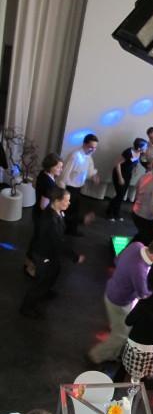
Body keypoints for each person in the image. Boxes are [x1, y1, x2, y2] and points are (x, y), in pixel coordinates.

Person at [88, 238, 153, 364]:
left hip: (112, 288)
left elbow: (117, 260)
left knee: (120, 328)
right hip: (119, 301)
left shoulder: (137, 245)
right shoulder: (139, 270)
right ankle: (95, 356)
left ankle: (112, 354)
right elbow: (143, 294)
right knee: (121, 335)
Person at [20, 187, 85, 319]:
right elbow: (59, 243)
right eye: (66, 200)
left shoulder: (56, 212)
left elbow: (66, 219)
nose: (69, 203)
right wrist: (75, 257)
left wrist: (81, 219)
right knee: (41, 282)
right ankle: (26, 308)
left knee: (54, 272)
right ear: (56, 201)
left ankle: (45, 291)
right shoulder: (50, 220)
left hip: (51, 254)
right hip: (44, 255)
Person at [24, 153, 64, 278]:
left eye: (61, 167)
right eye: (58, 167)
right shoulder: (48, 183)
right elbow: (43, 206)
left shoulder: (44, 174)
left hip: (37, 213)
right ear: (50, 167)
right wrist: (57, 211)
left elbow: (36, 186)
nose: (61, 170)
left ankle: (28, 262)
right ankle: (30, 267)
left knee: (37, 239)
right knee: (39, 242)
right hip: (42, 217)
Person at [58, 133, 100, 236]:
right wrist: (63, 192)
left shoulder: (88, 157)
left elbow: (89, 171)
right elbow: (64, 175)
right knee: (68, 211)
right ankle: (63, 231)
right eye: (91, 147)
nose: (93, 150)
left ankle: (71, 230)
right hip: (69, 188)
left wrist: (94, 176)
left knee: (74, 210)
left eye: (95, 148)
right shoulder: (74, 156)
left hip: (78, 188)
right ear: (84, 144)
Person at [106, 137, 147, 221]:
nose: (146, 148)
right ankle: (110, 213)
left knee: (121, 195)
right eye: (145, 147)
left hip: (128, 175)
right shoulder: (128, 152)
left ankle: (115, 212)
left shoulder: (139, 153)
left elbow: (135, 162)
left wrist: (135, 169)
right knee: (120, 194)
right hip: (119, 174)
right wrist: (120, 178)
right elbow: (117, 164)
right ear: (139, 148)